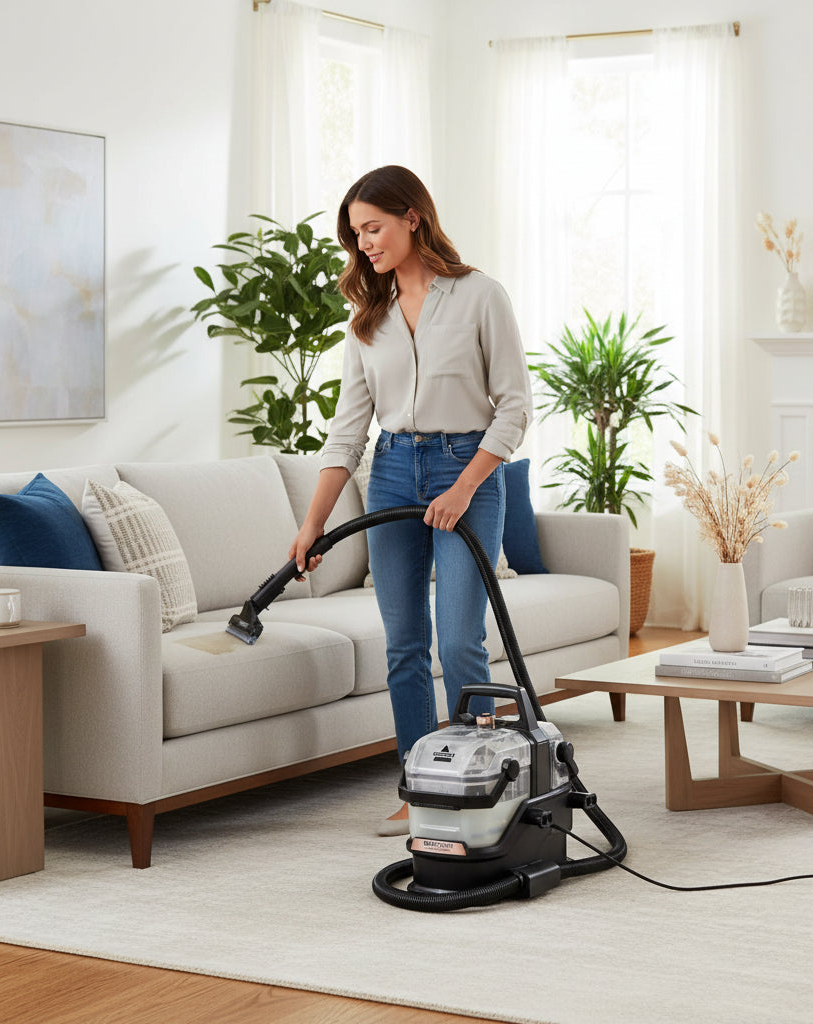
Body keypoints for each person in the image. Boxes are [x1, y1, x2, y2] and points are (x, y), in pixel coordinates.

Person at [288, 165, 532, 836]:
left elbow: (513, 408)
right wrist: (313, 524)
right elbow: (347, 432)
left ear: (412, 217)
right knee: (403, 645)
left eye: (373, 227)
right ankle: (420, 786)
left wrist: (464, 486)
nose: (364, 243)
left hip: (467, 472)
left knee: (458, 642)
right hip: (393, 472)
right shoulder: (368, 320)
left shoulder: (481, 296)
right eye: (356, 235)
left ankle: (484, 779)